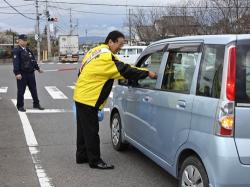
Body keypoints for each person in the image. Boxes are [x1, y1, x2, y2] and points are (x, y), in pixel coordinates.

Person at [73, 30, 157, 170]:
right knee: (92, 131)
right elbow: (125, 70)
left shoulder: (95, 51)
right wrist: (147, 73)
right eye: (120, 44)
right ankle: (95, 160)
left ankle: (81, 155)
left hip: (81, 95)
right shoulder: (106, 57)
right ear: (110, 42)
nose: (121, 47)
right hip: (89, 99)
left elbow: (80, 71)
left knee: (83, 130)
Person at [13, 34, 44, 112]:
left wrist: (38, 69)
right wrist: (17, 73)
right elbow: (15, 62)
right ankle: (20, 106)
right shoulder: (17, 50)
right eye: (23, 40)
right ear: (19, 41)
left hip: (30, 73)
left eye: (26, 40)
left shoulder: (28, 50)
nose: (25, 41)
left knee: (33, 89)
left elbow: (33, 60)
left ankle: (36, 104)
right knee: (21, 91)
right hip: (22, 74)